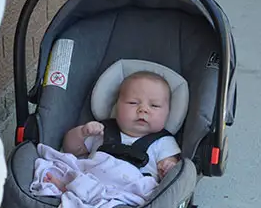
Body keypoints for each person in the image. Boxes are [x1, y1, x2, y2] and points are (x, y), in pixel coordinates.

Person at [44, 71, 181, 192]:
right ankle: (70, 188)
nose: (143, 109)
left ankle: (72, 190)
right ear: (116, 107)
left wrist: (168, 167)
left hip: (131, 191)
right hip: (92, 182)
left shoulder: (164, 141)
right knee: (65, 167)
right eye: (133, 103)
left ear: (167, 113)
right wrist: (82, 133)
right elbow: (70, 149)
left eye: (154, 105)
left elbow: (171, 167)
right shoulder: (102, 130)